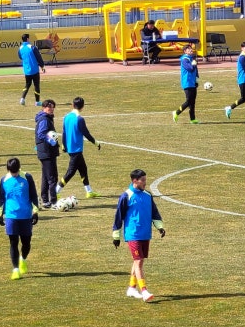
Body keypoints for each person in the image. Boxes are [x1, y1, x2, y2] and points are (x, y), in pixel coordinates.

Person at [112, 169, 165, 301]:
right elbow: (119, 216)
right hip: (133, 234)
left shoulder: (148, 195)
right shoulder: (126, 196)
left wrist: (160, 227)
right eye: (143, 180)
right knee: (139, 260)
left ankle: (131, 288)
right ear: (134, 181)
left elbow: (154, 212)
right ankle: (144, 291)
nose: (145, 183)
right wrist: (116, 236)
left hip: (145, 234)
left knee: (137, 262)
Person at [0, 157, 39, 280]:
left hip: (26, 215)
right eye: (11, 172)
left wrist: (35, 212)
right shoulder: (4, 180)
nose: (14, 174)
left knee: (26, 243)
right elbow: (1, 198)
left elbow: (34, 196)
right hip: (11, 216)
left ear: (19, 168)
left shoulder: (27, 177)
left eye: (15, 171)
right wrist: (0, 214)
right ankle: (15, 269)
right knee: (13, 242)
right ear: (8, 169)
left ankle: (23, 259)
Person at [55, 97, 101, 198]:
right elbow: (86, 134)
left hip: (71, 148)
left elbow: (64, 132)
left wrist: (64, 144)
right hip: (76, 149)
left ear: (72, 105)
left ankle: (89, 191)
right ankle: (56, 191)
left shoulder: (66, 116)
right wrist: (96, 143)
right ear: (83, 106)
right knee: (71, 172)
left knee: (83, 169)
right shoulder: (79, 119)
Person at [34, 98, 59, 209]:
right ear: (44, 108)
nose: (52, 109)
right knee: (52, 177)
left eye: (53, 107)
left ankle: (45, 200)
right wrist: (50, 140)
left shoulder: (45, 118)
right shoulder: (44, 119)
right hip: (47, 151)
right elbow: (41, 134)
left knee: (45, 176)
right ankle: (53, 202)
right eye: (49, 107)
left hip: (44, 151)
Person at [224, 41, 245, 119]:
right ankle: (229, 108)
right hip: (243, 81)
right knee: (243, 99)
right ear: (242, 48)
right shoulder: (242, 57)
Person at [172, 44, 200, 124]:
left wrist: (196, 80)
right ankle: (176, 112)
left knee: (193, 102)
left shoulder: (191, 58)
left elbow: (195, 71)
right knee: (188, 101)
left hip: (192, 82)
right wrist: (194, 64)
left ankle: (192, 119)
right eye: (189, 49)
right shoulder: (184, 59)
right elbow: (190, 69)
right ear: (185, 51)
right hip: (187, 82)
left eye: (191, 49)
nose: (191, 50)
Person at [18, 33, 45, 106]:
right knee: (36, 85)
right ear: (27, 39)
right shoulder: (32, 47)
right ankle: (37, 102)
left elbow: (20, 57)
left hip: (26, 70)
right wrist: (42, 66)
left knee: (27, 84)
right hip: (34, 69)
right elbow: (38, 57)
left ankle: (22, 99)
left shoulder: (20, 48)